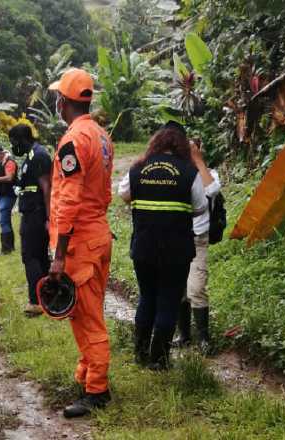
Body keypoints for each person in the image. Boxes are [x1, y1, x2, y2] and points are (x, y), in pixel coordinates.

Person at [47, 68, 115, 418]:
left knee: (89, 320)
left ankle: (97, 391)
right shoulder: (101, 135)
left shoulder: (74, 140)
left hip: (80, 244)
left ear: (63, 102)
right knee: (87, 313)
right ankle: (86, 376)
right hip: (98, 235)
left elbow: (69, 200)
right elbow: (103, 194)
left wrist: (59, 255)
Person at [118, 121, 208, 371]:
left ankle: (140, 352)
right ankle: (159, 360)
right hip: (176, 251)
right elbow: (201, 207)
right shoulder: (189, 172)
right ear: (182, 144)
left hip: (144, 248)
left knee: (147, 298)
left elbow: (123, 193)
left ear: (156, 142)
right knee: (168, 300)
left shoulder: (138, 169)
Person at [174, 139, 220, 354]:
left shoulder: (208, 174)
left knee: (197, 288)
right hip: (176, 237)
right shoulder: (175, 172)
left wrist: (199, 161)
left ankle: (204, 338)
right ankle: (184, 335)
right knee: (180, 288)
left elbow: (212, 190)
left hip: (197, 238)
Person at [9, 124, 52, 316]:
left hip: (36, 214)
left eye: (13, 142)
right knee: (40, 257)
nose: (13, 146)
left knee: (31, 257)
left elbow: (47, 187)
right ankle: (47, 298)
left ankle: (36, 301)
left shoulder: (39, 155)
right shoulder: (30, 156)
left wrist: (50, 217)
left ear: (21, 139)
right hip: (31, 213)